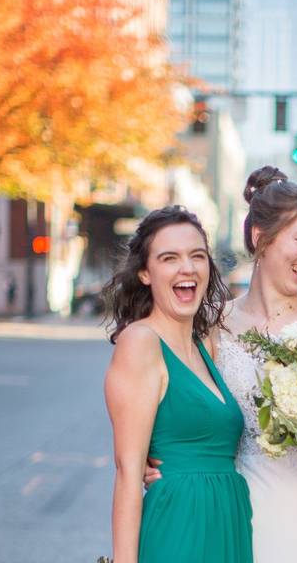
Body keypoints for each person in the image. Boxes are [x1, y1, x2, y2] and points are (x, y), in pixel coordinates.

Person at [146, 167, 297, 563]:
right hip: (250, 513)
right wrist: (158, 461)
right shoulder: (211, 327)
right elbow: (176, 408)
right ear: (260, 237)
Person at [103, 205, 252, 563]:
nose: (187, 267)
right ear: (144, 273)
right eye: (169, 258)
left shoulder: (206, 347)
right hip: (178, 527)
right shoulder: (140, 341)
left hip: (227, 522)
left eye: (197, 256)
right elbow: (127, 472)